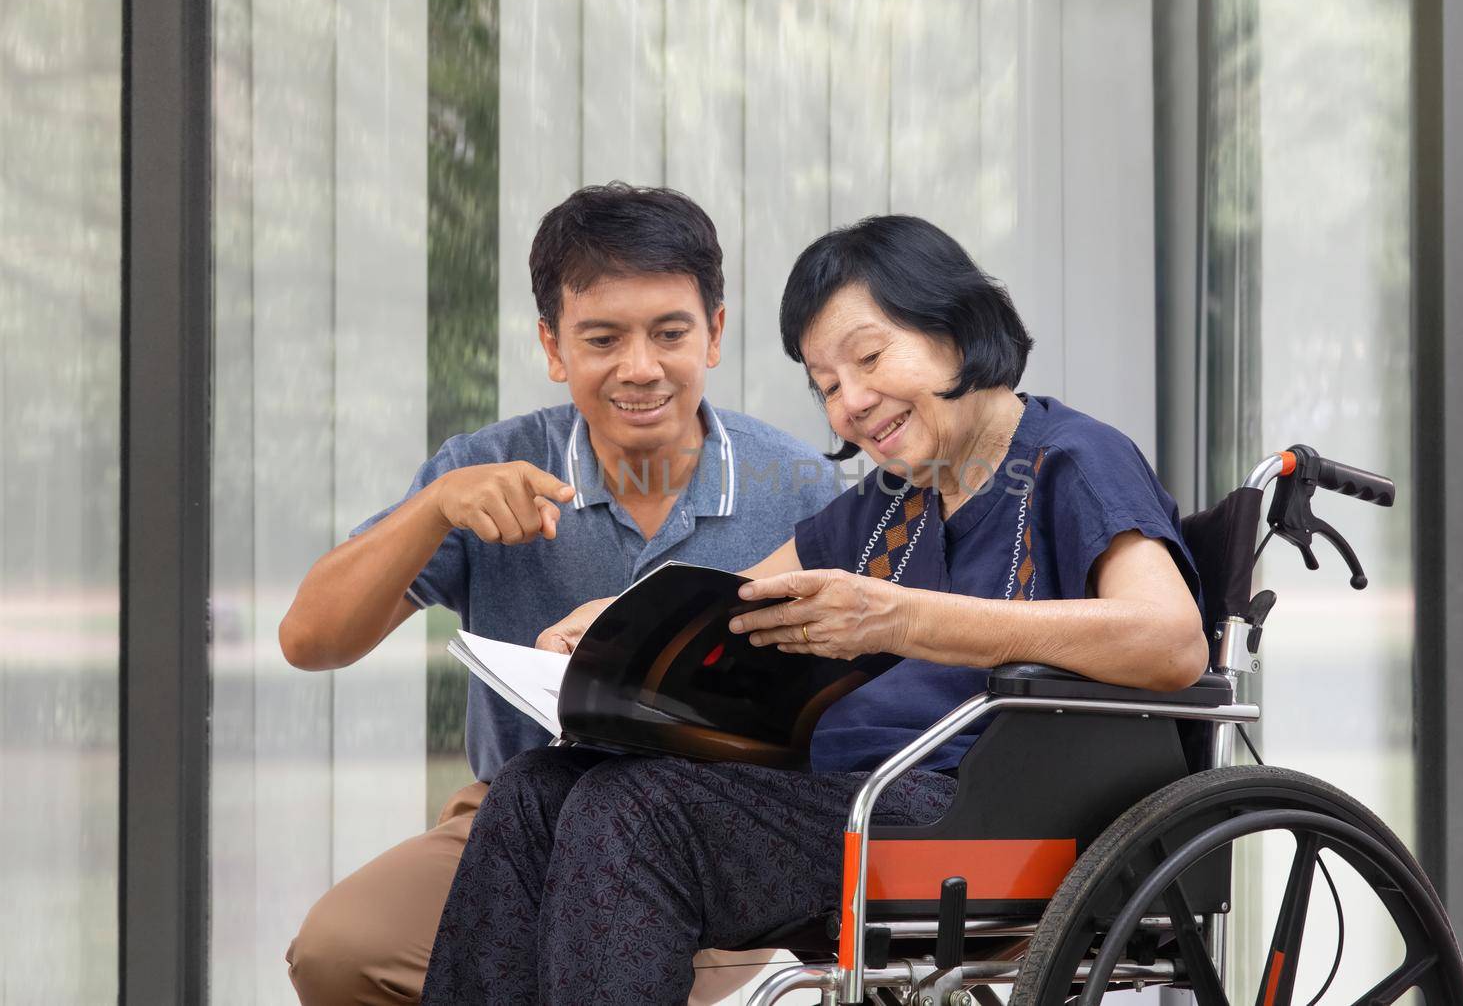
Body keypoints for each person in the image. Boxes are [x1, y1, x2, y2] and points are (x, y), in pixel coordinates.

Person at [420, 214, 1211, 1004]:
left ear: (960, 326)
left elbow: (1172, 641)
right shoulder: (893, 500)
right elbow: (738, 602)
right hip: (847, 797)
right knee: (535, 787)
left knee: (634, 810)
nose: (853, 402)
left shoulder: (1073, 460)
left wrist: (903, 619)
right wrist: (614, 624)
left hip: (980, 813)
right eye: (828, 384)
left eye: (869, 357)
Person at [278, 183, 839, 1005]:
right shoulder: (487, 468)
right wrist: (432, 510)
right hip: (516, 812)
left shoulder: (798, 487)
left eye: (670, 333)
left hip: (717, 834)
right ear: (552, 344)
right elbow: (309, 639)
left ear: (715, 333)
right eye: (602, 337)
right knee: (339, 951)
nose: (639, 367)